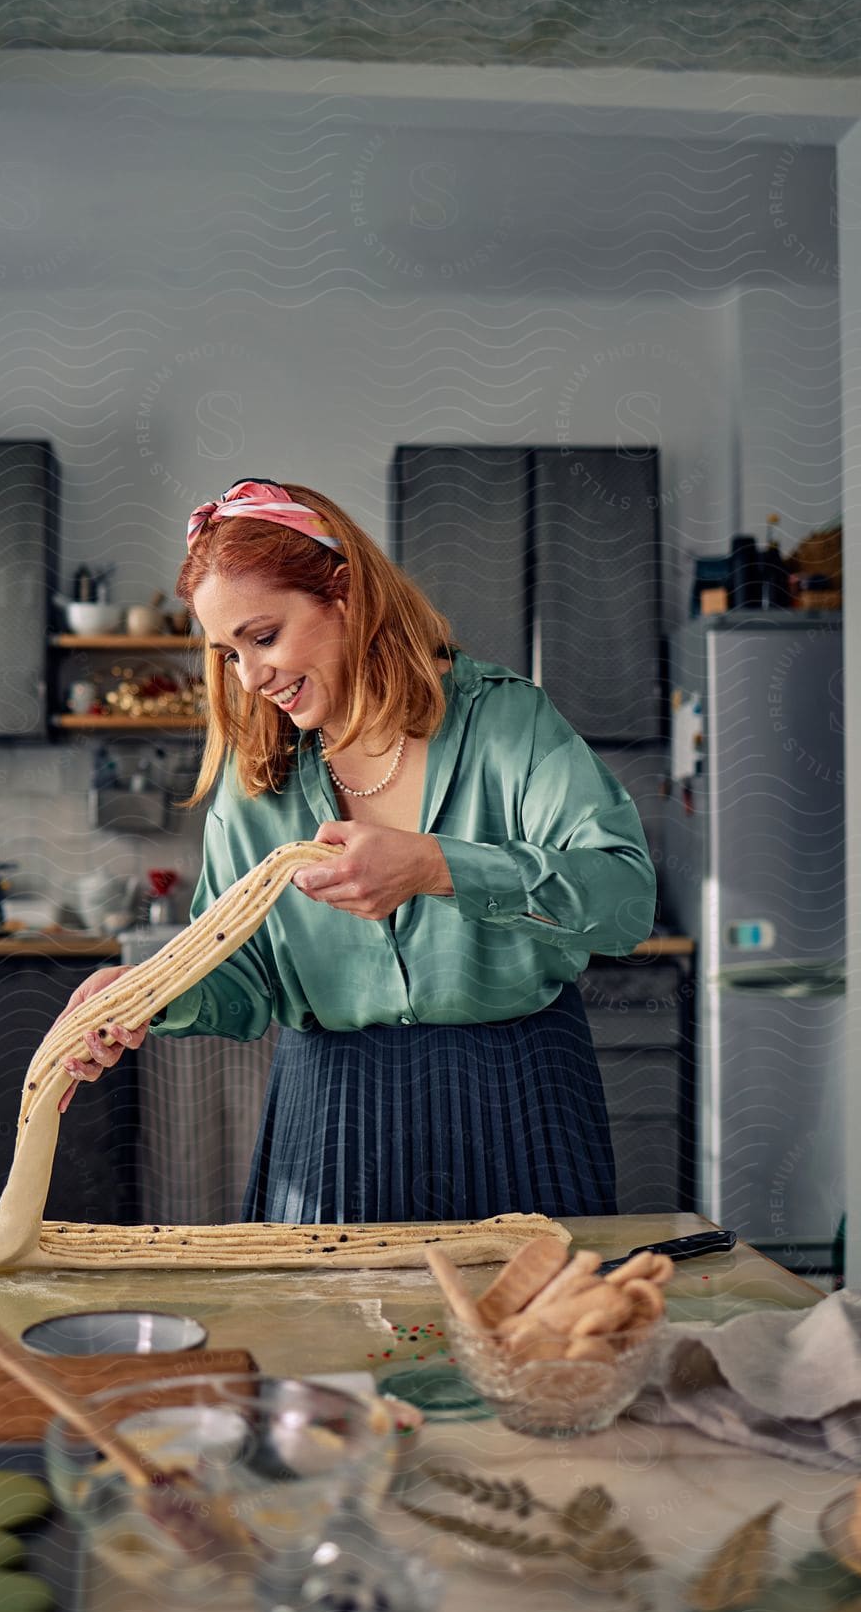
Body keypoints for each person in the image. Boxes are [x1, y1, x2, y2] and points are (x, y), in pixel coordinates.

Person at [50, 477, 657, 1222]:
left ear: (345, 594)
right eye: (227, 653)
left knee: (534, 1336)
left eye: (263, 637)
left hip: (518, 1094)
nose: (250, 678)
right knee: (325, 1337)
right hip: (334, 1113)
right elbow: (241, 980)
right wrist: (145, 996)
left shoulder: (508, 722)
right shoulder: (255, 780)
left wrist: (437, 867)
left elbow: (622, 902)